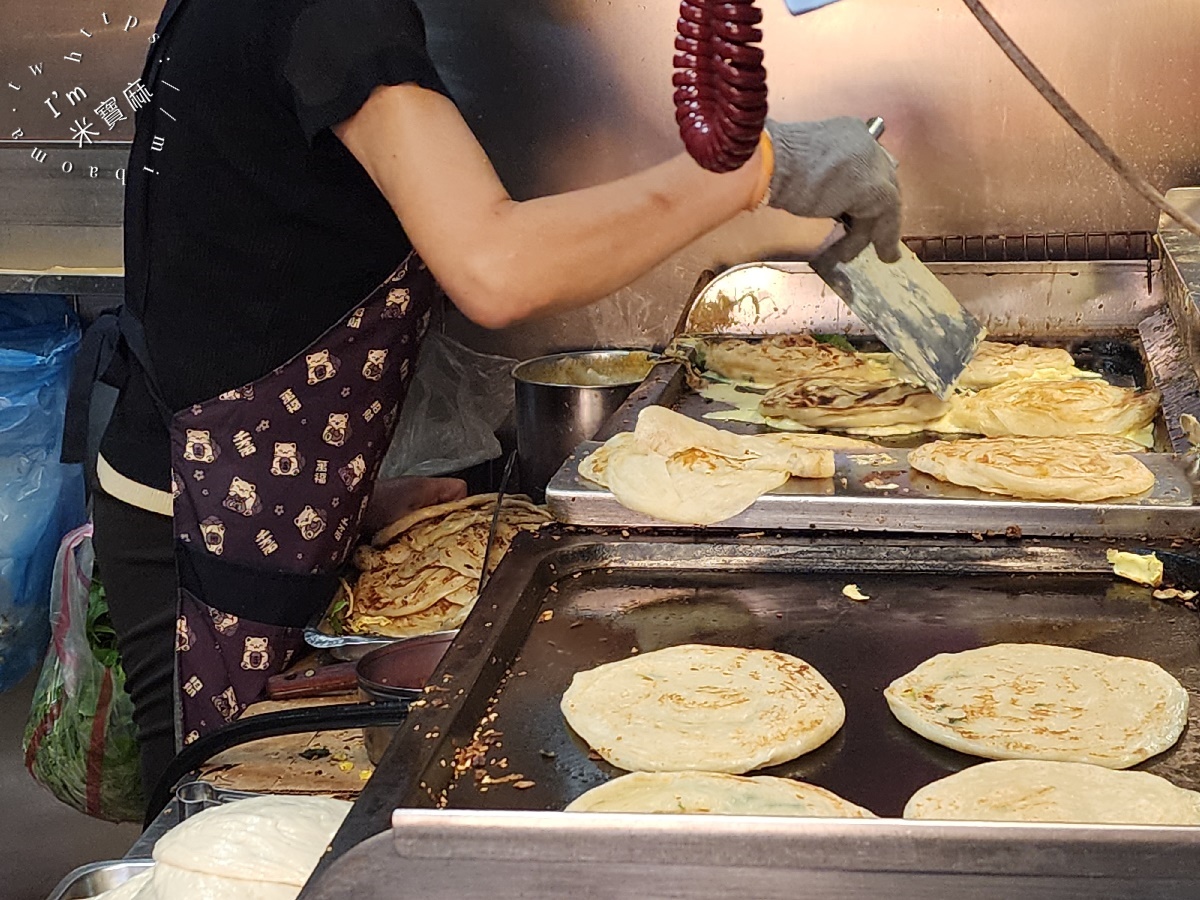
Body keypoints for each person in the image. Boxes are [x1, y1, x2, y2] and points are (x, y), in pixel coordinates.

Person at [81, 0, 901, 801]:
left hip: (253, 493)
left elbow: (254, 241)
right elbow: (494, 266)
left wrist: (343, 502)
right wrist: (761, 169)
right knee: (222, 831)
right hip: (204, 525)